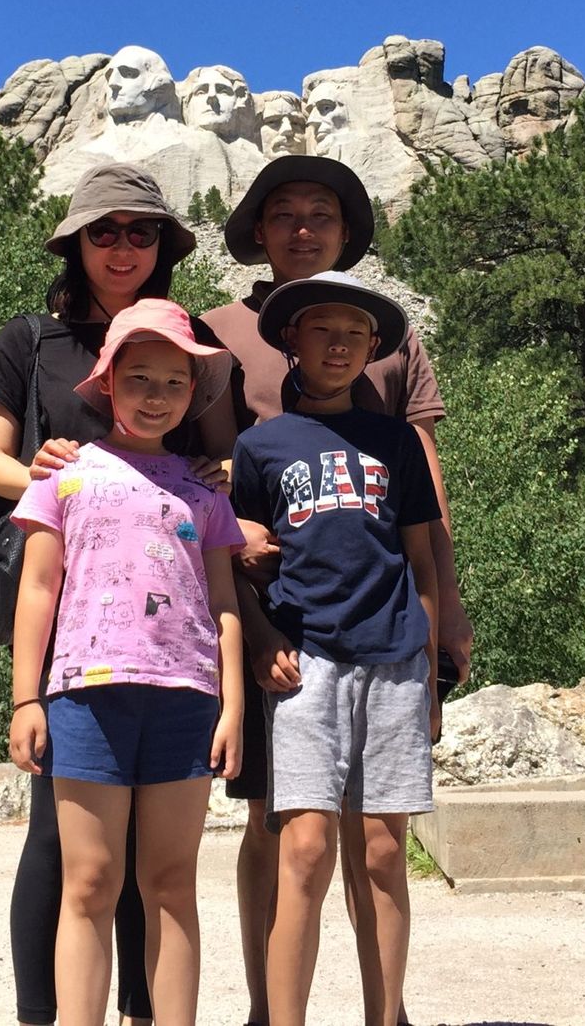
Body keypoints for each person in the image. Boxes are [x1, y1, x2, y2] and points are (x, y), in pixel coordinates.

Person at [199, 156, 470, 1024]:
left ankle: (382, 1011)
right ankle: (267, 1008)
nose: (304, 228)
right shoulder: (214, 331)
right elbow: (192, 460)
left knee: (377, 842)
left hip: (383, 627)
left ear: (349, 231)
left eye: (323, 213)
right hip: (274, 625)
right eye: (285, 213)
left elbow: (421, 477)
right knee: (277, 831)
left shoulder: (393, 339)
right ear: (258, 228)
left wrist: (449, 611)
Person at [0, 163, 235, 1026]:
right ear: (76, 242)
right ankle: (42, 1015)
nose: (123, 247)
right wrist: (53, 475)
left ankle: (145, 1012)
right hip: (72, 618)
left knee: (154, 861)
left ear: (164, 246)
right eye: (104, 231)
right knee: (64, 842)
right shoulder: (31, 340)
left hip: (170, 638)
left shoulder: (184, 338)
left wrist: (216, 475)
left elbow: (222, 462)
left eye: (142, 231)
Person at [9, 298, 245, 1026]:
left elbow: (224, 601)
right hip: (85, 696)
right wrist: (26, 699)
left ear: (194, 393)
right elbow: (38, 588)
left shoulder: (203, 490)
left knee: (171, 883)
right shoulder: (63, 476)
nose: (158, 396)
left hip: (186, 699)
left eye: (176, 383)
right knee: (89, 884)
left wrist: (233, 706)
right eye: (140, 378)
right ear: (107, 382)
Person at [229, 272, 440, 1026]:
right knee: (306, 849)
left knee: (383, 853)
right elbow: (237, 561)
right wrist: (260, 640)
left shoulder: (396, 443)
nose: (340, 343)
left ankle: (386, 1017)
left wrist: (433, 667)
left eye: (356, 332)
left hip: (393, 660)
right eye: (323, 329)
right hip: (306, 660)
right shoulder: (260, 446)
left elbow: (421, 558)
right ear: (293, 338)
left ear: (374, 347)